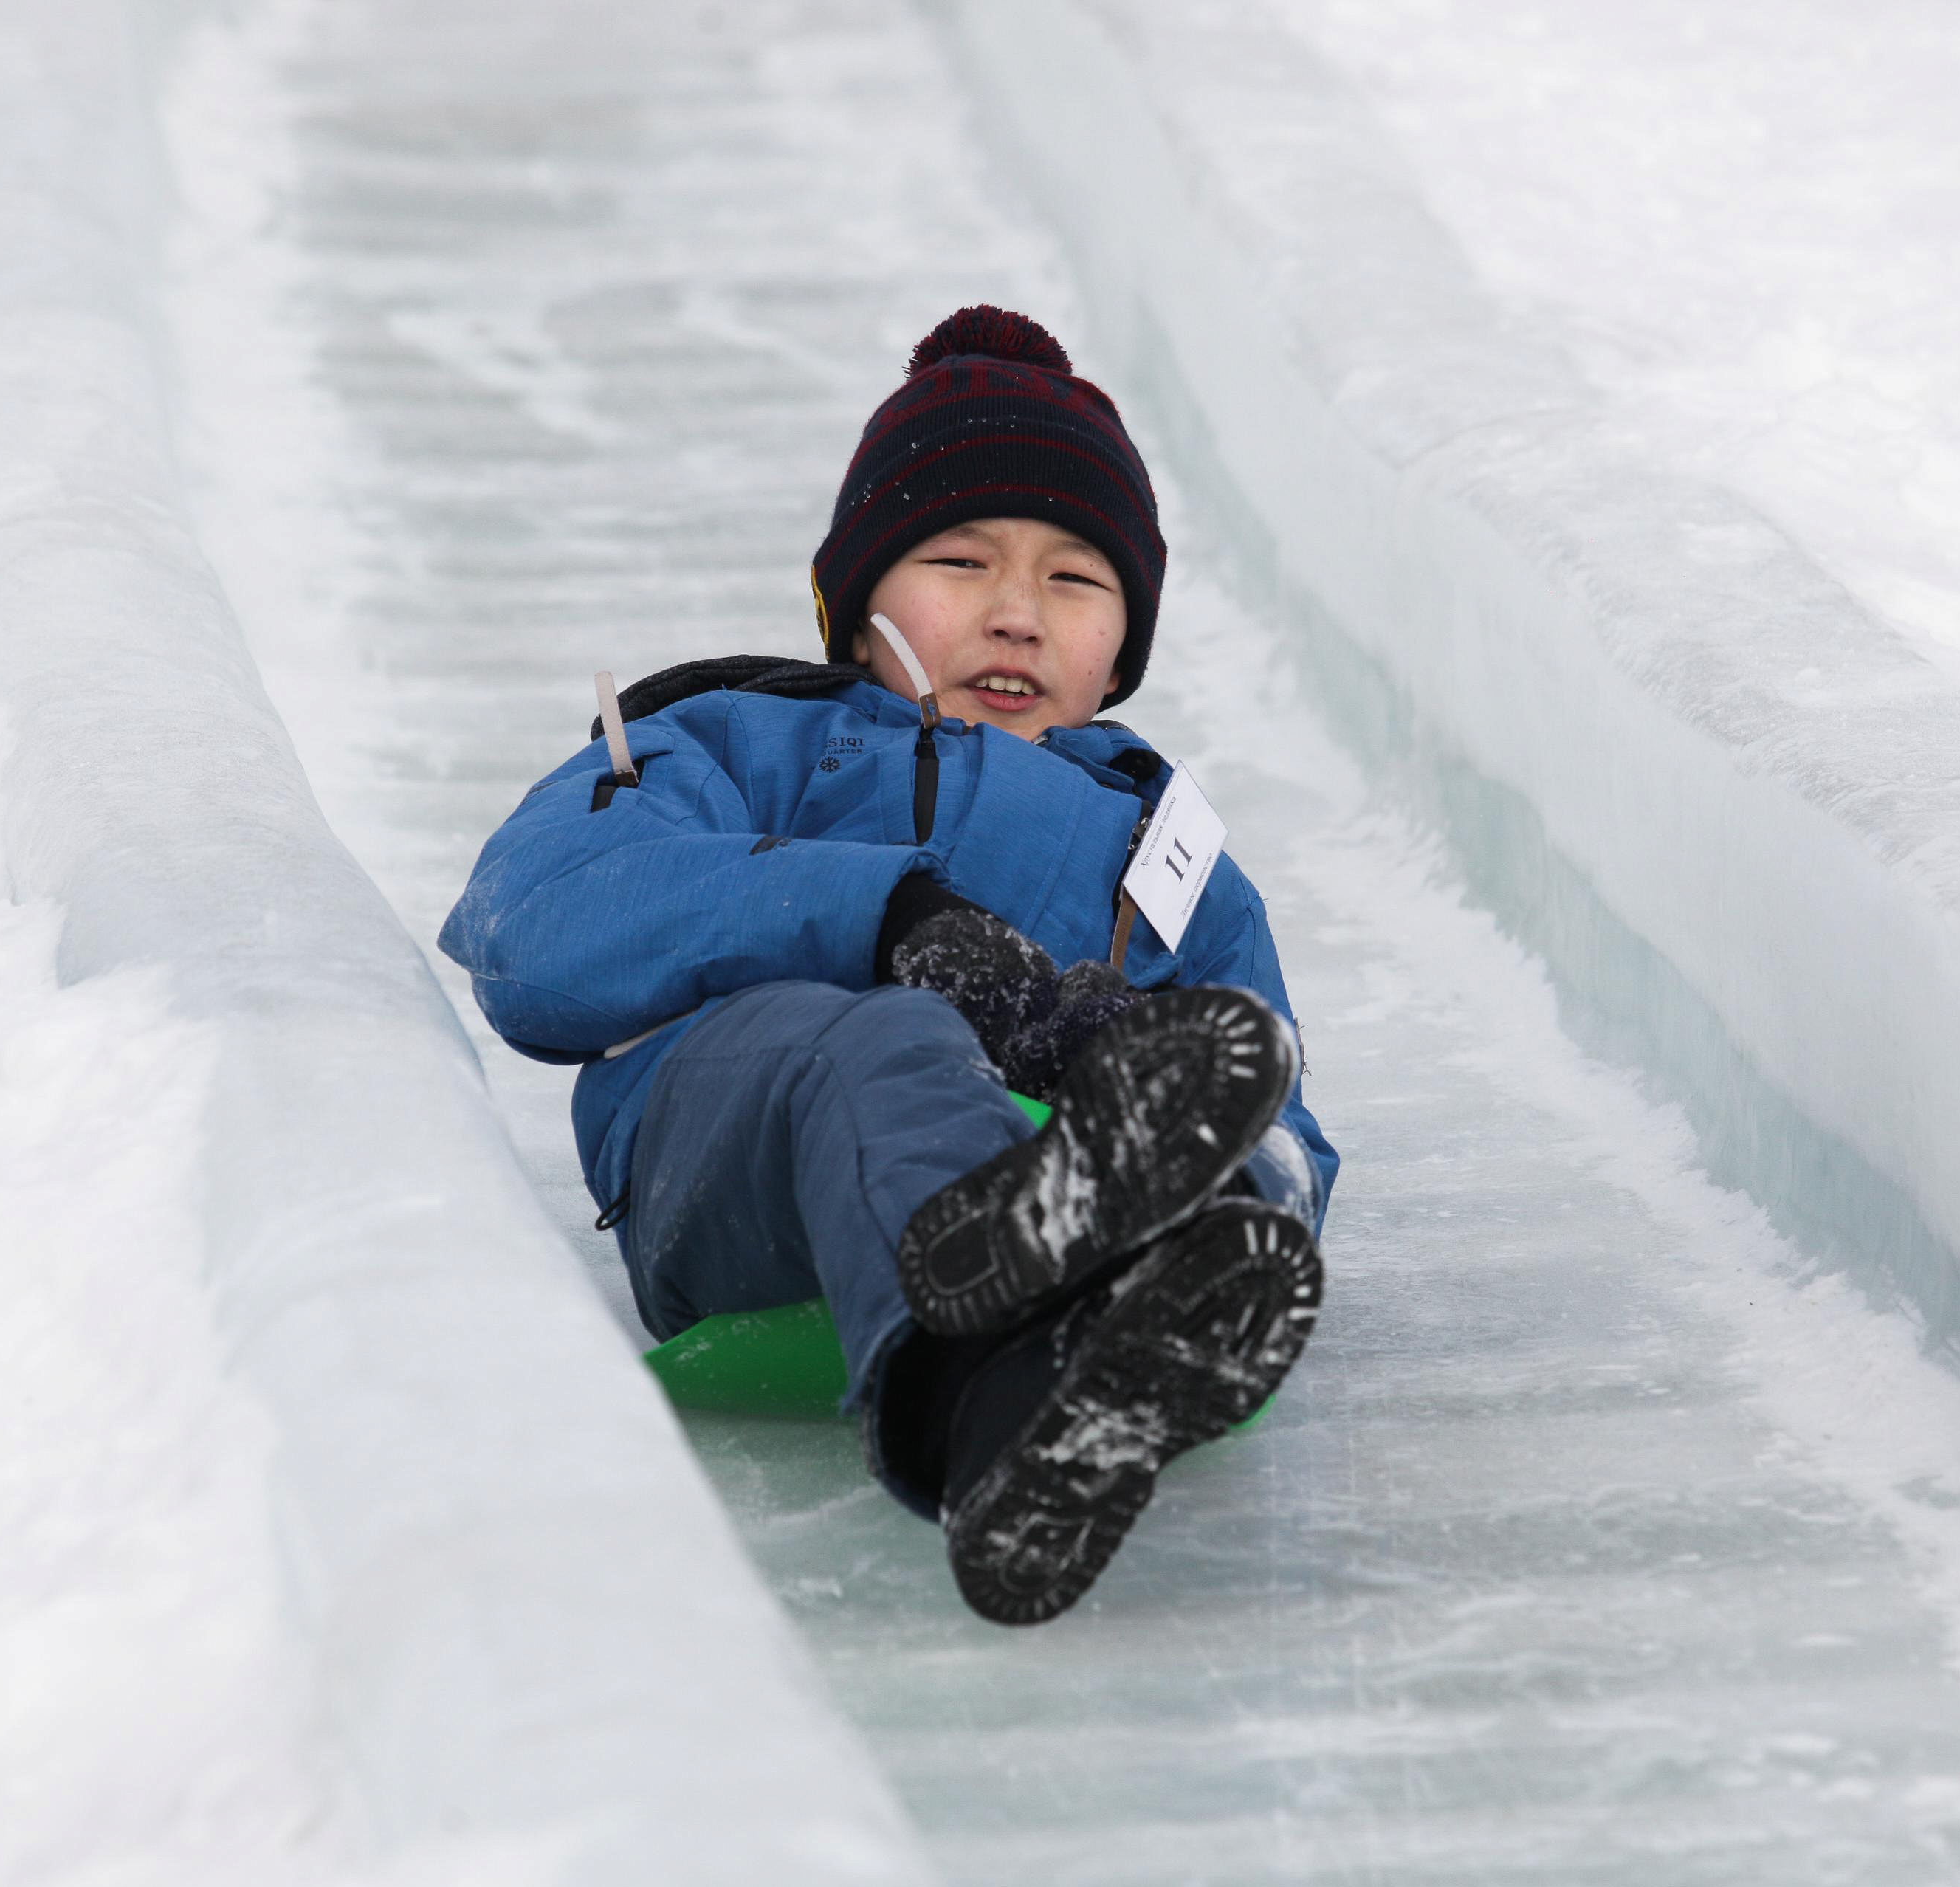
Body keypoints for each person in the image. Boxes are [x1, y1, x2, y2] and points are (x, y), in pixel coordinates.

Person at [440, 306, 1337, 1626]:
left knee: (1186, 1097)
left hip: (1036, 1154)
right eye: (963, 561)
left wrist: (1213, 1147)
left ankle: (1135, 1288)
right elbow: (536, 919)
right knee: (881, 1042)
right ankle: (976, 1399)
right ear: (855, 602)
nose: (1018, 614)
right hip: (737, 1156)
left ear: (1121, 641)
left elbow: (1283, 1111)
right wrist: (889, 919)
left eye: (1075, 581)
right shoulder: (736, 739)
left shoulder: (1168, 855)